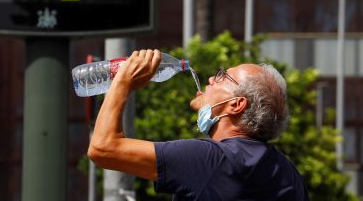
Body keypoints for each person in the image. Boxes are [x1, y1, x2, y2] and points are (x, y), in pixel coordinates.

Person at [88, 49, 310, 201]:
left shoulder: (210, 159)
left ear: (236, 104)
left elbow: (103, 148)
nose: (212, 79)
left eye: (224, 76)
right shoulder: (289, 174)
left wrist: (123, 82)